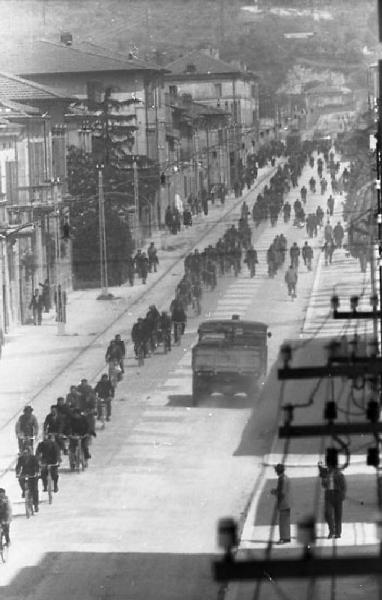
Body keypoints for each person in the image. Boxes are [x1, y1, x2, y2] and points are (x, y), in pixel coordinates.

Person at [318, 461, 346, 538]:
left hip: (337, 495)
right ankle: (331, 530)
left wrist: (342, 496)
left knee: (338, 515)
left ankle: (338, 532)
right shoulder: (326, 474)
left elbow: (343, 486)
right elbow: (323, 485)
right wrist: (324, 478)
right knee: (327, 514)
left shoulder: (339, 475)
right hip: (329, 496)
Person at [270, 464, 291, 544]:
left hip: (283, 503)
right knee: (286, 521)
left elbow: (281, 492)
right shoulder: (286, 478)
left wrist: (274, 492)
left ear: (277, 471)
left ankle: (283, 538)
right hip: (287, 502)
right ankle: (287, 537)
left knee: (282, 522)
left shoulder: (281, 479)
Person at [15, 446, 40, 511]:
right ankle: (24, 490)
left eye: (27, 452)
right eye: (24, 452)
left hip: (33, 473)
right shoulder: (20, 458)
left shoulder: (34, 458)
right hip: (24, 472)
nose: (25, 454)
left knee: (35, 489)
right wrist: (17, 473)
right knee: (20, 480)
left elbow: (37, 466)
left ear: (29, 452)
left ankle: (36, 504)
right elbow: (18, 466)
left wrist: (37, 472)